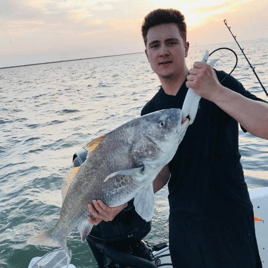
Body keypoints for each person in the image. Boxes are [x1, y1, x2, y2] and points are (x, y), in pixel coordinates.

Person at [87, 8, 268, 268]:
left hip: (231, 220)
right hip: (185, 228)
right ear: (147, 54)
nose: (163, 51)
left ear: (186, 46)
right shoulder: (151, 112)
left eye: (171, 42)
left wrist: (215, 91)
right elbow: (159, 174)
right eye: (155, 45)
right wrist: (120, 202)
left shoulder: (217, 83)